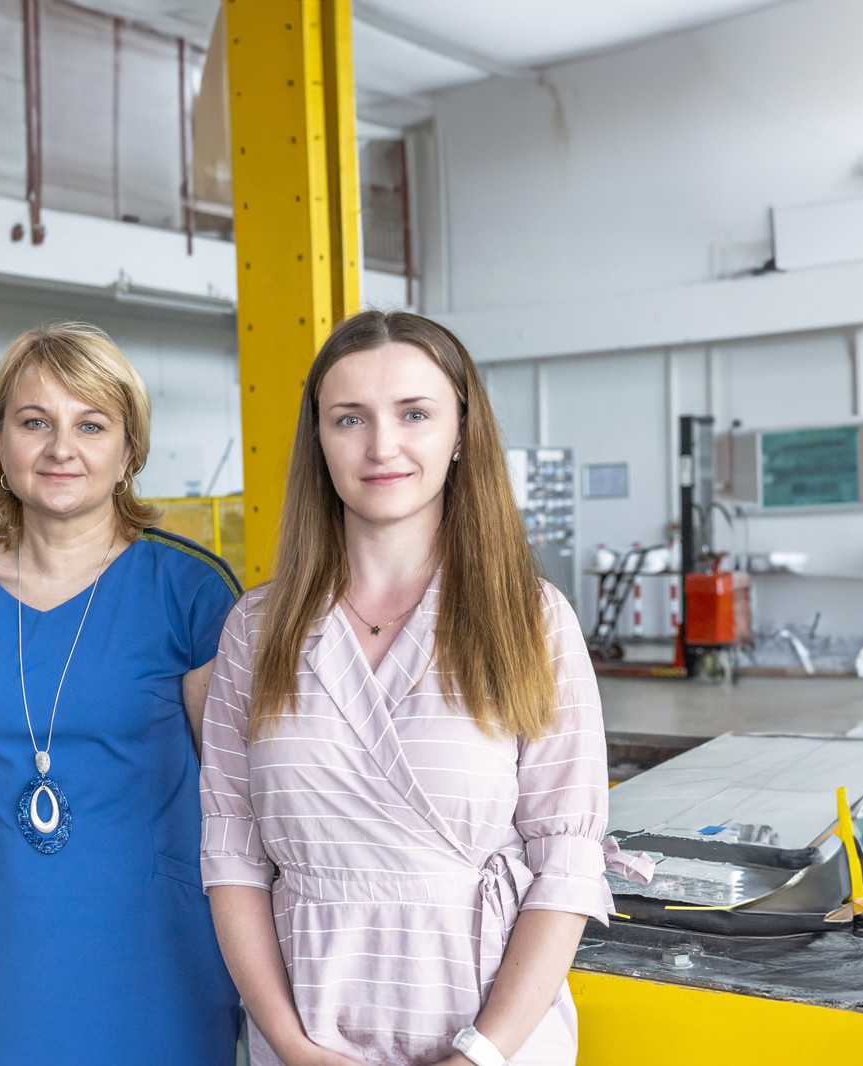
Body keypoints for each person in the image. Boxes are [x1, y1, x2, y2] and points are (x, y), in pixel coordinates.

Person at [199, 310, 652, 1066]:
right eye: (350, 418)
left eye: (414, 413)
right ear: (319, 439)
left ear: (461, 433)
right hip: (309, 1034)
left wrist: (480, 1054)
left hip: (491, 1037)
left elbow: (567, 866)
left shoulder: (530, 619)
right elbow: (231, 858)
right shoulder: (257, 629)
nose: (382, 446)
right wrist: (289, 1043)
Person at [0, 324, 242, 1066]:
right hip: (14, 945)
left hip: (161, 943)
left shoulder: (189, 592)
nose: (62, 448)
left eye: (91, 425)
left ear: (128, 452)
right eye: (35, 422)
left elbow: (234, 795)